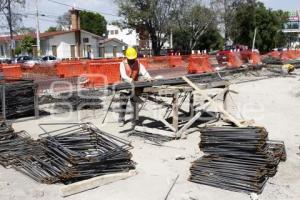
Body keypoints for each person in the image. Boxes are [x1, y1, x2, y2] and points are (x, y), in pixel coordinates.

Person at [118, 47, 152, 126]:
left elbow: (144, 72)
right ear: (127, 57)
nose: (132, 60)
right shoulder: (122, 64)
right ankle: (121, 120)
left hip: (134, 87)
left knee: (135, 104)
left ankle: (135, 120)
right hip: (124, 86)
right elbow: (123, 76)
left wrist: (149, 77)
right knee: (123, 103)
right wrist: (130, 80)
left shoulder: (138, 63)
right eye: (130, 59)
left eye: (133, 58)